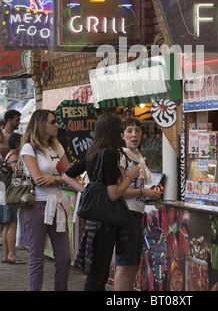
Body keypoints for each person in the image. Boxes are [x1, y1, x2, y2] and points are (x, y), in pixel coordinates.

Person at [62, 112, 141, 291]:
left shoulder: (94, 152)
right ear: (114, 131)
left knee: (99, 273)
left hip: (95, 222)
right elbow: (113, 194)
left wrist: (85, 190)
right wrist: (130, 176)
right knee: (98, 275)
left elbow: (67, 176)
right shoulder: (109, 154)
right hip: (104, 223)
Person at [19, 109, 72, 291]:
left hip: (57, 204)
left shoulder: (57, 146)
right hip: (36, 205)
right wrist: (61, 177)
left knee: (64, 258)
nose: (57, 124)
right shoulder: (29, 148)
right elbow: (38, 179)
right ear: (41, 124)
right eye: (52, 122)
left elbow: (70, 174)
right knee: (36, 257)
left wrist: (56, 179)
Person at [114, 117, 162, 291]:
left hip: (137, 214)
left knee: (134, 265)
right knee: (124, 265)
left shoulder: (139, 156)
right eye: (129, 131)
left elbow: (142, 187)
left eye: (137, 131)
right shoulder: (122, 155)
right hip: (125, 214)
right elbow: (118, 191)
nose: (134, 135)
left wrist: (152, 193)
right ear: (122, 135)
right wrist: (144, 192)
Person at [0, 133, 25, 264]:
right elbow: (16, 174)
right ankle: (12, 254)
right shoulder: (14, 156)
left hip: (4, 193)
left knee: (6, 224)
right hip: (11, 194)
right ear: (17, 144)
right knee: (12, 224)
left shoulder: (8, 155)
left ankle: (5, 255)